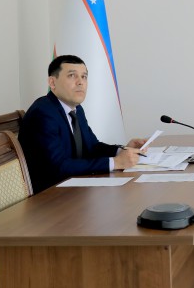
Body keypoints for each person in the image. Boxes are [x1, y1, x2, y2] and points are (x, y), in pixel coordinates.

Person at [19, 54, 146, 193]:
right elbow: (58, 167)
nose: (80, 82)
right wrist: (115, 163)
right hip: (50, 195)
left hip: (74, 187)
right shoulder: (43, 113)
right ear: (52, 83)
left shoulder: (77, 109)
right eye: (72, 76)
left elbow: (92, 147)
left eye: (84, 76)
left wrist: (122, 150)